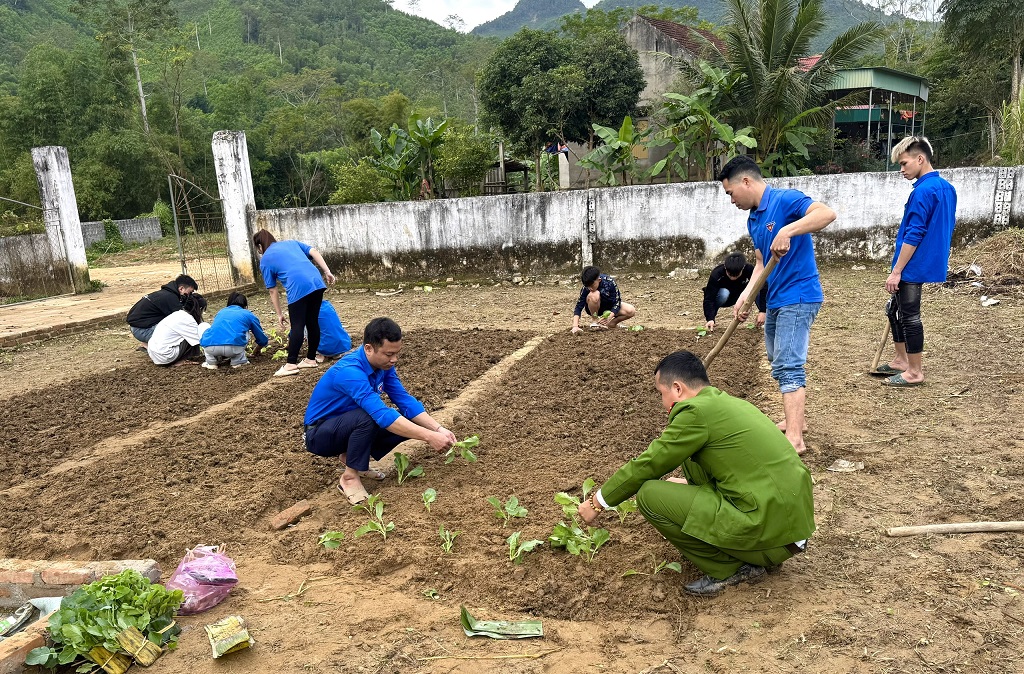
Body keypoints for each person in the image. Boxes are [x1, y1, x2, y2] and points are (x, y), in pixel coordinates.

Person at [577, 350, 815, 597]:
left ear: (678, 389)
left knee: (649, 494)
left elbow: (648, 464)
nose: (662, 403)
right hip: (789, 524)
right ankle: (761, 553)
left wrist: (597, 502)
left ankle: (732, 568)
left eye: (662, 393)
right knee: (690, 459)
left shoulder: (694, 413)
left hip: (769, 528)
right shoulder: (727, 404)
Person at [717, 156, 836, 455]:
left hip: (799, 295)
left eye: (730, 193)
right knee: (776, 357)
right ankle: (796, 420)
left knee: (788, 363)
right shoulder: (754, 219)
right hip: (777, 298)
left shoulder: (786, 200)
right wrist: (745, 296)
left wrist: (789, 230)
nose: (731, 200)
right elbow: (760, 263)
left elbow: (827, 214)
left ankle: (795, 438)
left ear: (746, 181)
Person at [302, 317, 456, 504]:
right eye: (388, 354)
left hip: (346, 426)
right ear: (368, 348)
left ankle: (351, 457)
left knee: (404, 418)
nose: (394, 359)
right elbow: (381, 415)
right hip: (319, 435)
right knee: (371, 417)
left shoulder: (383, 366)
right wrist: (428, 437)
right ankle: (349, 477)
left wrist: (437, 429)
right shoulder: (349, 372)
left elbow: (404, 400)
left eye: (396, 353)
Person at [877, 136, 957, 387]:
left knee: (909, 315)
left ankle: (914, 372)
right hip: (926, 260)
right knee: (894, 310)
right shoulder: (946, 188)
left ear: (920, 159)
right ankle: (901, 360)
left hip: (913, 263)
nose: (901, 170)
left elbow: (914, 233)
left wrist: (897, 271)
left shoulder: (923, 191)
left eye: (904, 163)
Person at [253, 229, 336, 377]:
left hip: (298, 288)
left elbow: (273, 290)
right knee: (312, 322)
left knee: (297, 325)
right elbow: (314, 251)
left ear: (260, 246)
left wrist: (279, 314)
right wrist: (327, 271)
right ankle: (310, 359)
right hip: (317, 282)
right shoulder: (291, 243)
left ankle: (291, 364)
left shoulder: (265, 260)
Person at [199, 292, 269, 370]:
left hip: (210, 348)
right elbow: (261, 338)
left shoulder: (221, 312)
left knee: (206, 328)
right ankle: (238, 361)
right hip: (234, 348)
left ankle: (211, 362)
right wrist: (257, 349)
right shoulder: (248, 314)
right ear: (245, 305)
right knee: (245, 332)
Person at [126, 274, 199, 347]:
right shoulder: (170, 298)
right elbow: (184, 321)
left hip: (138, 327)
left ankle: (148, 344)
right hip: (142, 330)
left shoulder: (166, 293)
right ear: (181, 289)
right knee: (180, 333)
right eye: (190, 292)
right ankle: (152, 347)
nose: (190, 296)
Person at [702, 252, 767, 331]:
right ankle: (712, 321)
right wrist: (710, 318)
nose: (733, 278)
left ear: (742, 268)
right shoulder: (717, 274)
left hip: (742, 295)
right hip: (726, 298)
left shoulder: (750, 270)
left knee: (757, 288)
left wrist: (763, 311)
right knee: (724, 293)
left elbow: (763, 287)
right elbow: (709, 298)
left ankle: (765, 319)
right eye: (730, 274)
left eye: (736, 275)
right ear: (725, 268)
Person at [146, 294, 209, 366]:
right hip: (166, 356)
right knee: (196, 334)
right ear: (199, 308)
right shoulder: (188, 319)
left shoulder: (177, 314)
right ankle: (181, 360)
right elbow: (201, 340)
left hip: (156, 356)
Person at [570, 266, 637, 334]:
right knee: (594, 294)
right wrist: (575, 326)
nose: (590, 288)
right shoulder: (586, 287)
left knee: (631, 310)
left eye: (592, 285)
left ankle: (611, 324)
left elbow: (617, 302)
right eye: (588, 286)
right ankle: (595, 322)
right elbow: (579, 306)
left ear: (599, 280)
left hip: (608, 308)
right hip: (594, 307)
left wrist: (610, 316)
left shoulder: (610, 282)